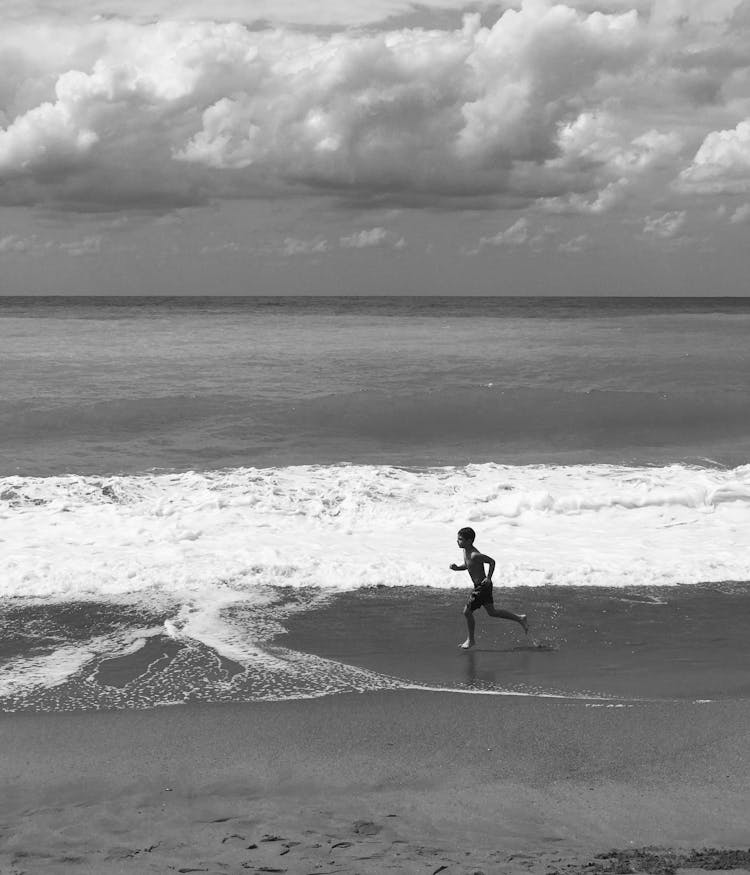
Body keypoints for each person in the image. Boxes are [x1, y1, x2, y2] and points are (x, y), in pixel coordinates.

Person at [449, 526, 528, 649]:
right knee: (492, 612)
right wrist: (457, 568)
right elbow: (468, 565)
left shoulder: (475, 554)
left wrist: (489, 577)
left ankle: (471, 640)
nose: (457, 541)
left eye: (460, 539)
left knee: (467, 612)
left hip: (482, 587)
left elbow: (492, 561)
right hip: (482, 587)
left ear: (469, 541)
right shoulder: (465, 551)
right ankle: (520, 618)